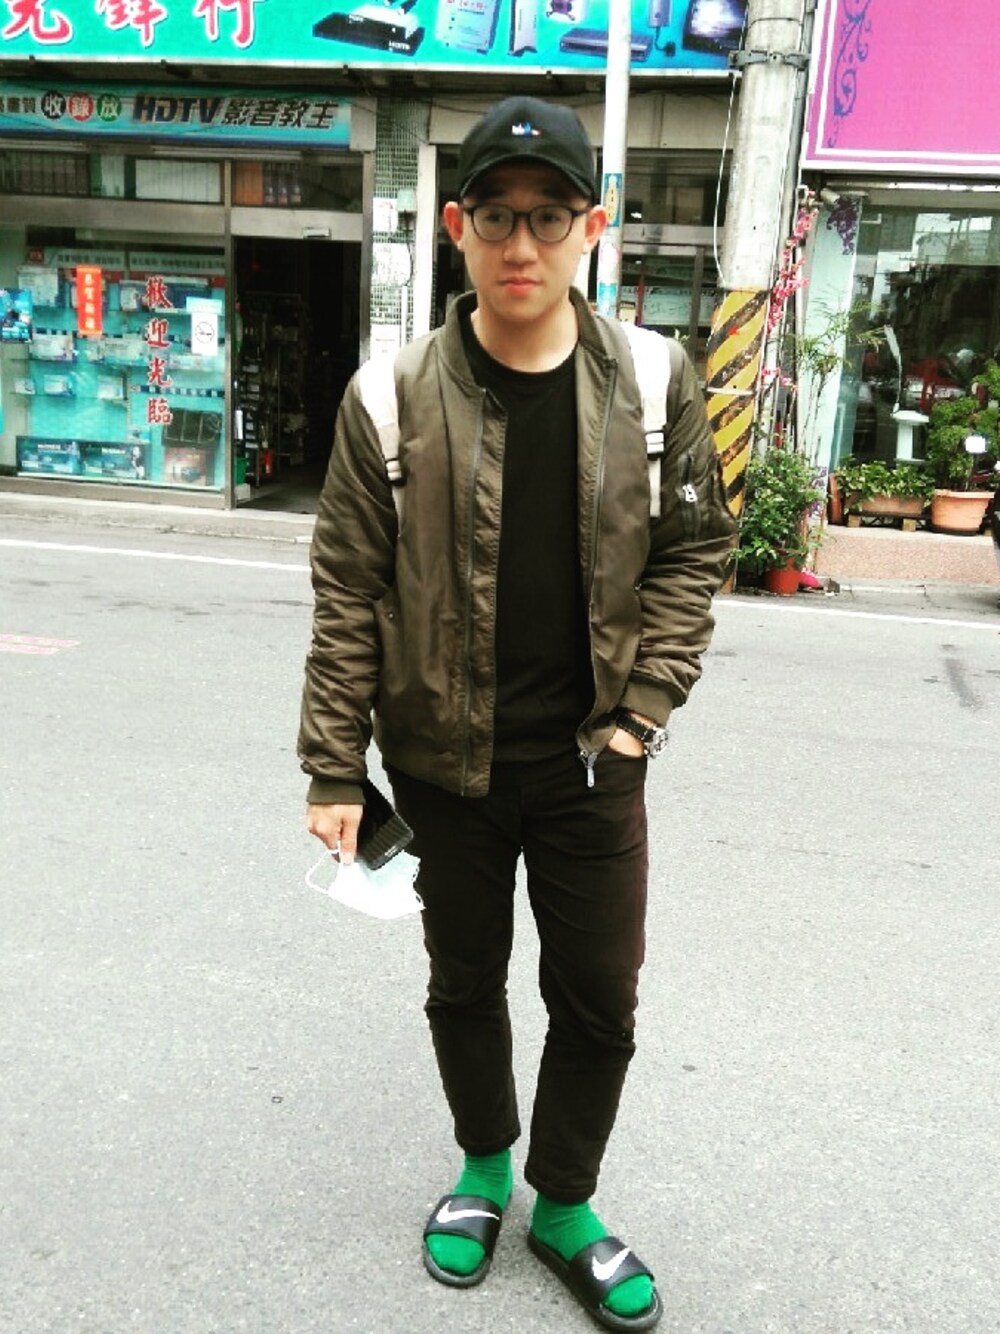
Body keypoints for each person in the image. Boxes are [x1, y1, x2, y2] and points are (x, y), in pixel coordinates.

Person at [299, 95, 736, 1332]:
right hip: (443, 763)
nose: (521, 244)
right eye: (496, 216)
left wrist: (640, 712)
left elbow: (694, 551)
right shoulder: (388, 397)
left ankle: (565, 1202)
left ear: (594, 225)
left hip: (594, 761)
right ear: (457, 226)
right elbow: (347, 590)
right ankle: (485, 1167)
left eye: (550, 217)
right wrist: (333, 765)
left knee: (599, 996)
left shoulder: (652, 378)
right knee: (463, 978)